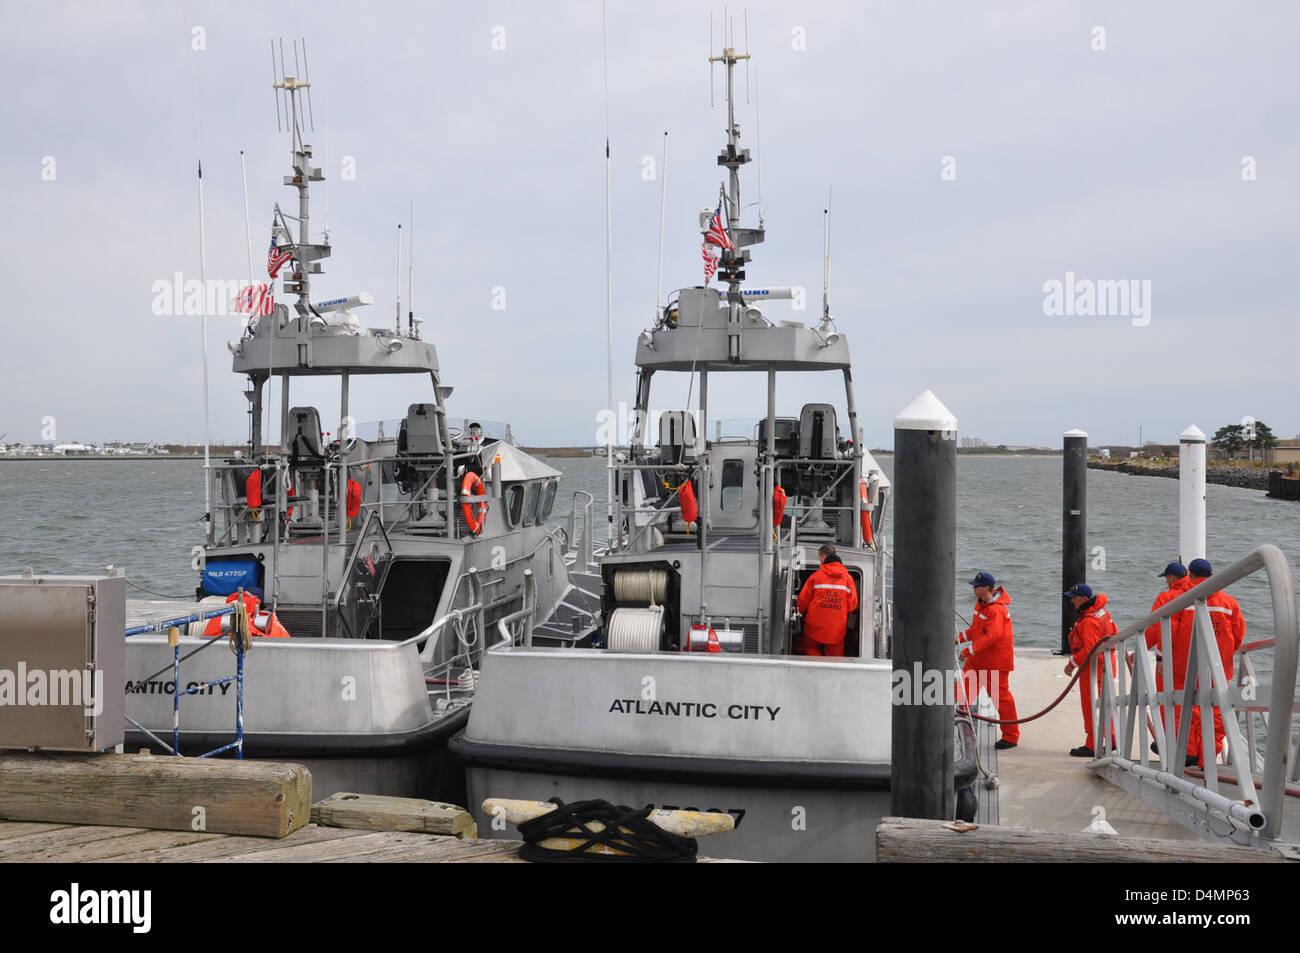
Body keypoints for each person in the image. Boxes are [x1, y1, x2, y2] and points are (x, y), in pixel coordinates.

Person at [1178, 558, 1246, 767]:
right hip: (1219, 667)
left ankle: (1189, 753)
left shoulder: (1183, 600)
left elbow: (1170, 630)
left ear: (1190, 575)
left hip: (1187, 667)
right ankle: (1207, 757)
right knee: (1217, 712)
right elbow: (1239, 634)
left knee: (1189, 708)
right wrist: (1224, 653)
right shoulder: (1229, 602)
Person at [956, 571, 1019, 750]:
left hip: (995, 662)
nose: (973, 589)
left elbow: (993, 636)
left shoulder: (997, 610)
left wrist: (969, 650)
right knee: (961, 692)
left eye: (976, 586)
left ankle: (1011, 736)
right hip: (979, 660)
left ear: (986, 588)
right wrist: (958, 638)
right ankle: (961, 723)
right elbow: (976, 630)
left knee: (1002, 699)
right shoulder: (981, 605)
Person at [1143, 562, 1194, 763]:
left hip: (1172, 658)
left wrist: (1145, 646)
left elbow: (1158, 627)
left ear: (1171, 577)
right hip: (1200, 659)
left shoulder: (1167, 597)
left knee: (1168, 701)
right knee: (1198, 703)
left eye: (1166, 578)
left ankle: (1171, 743)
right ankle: (1196, 748)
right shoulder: (1202, 593)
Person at [1063, 583, 1118, 757]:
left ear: (1084, 599)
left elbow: (1090, 649)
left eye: (1074, 597)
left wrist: (1071, 662)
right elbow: (1114, 634)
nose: (1072, 600)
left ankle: (1093, 744)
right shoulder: (1102, 612)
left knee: (1091, 705)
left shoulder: (1088, 620)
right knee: (1104, 704)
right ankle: (1112, 739)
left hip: (1094, 668)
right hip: (1107, 664)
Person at [795, 543, 858, 656]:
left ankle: (815, 669)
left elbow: (802, 602)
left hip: (814, 628)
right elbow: (852, 605)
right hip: (836, 630)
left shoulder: (815, 577)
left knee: (809, 647)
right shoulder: (848, 579)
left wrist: (799, 613)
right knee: (836, 656)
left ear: (823, 557)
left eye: (819, 558)